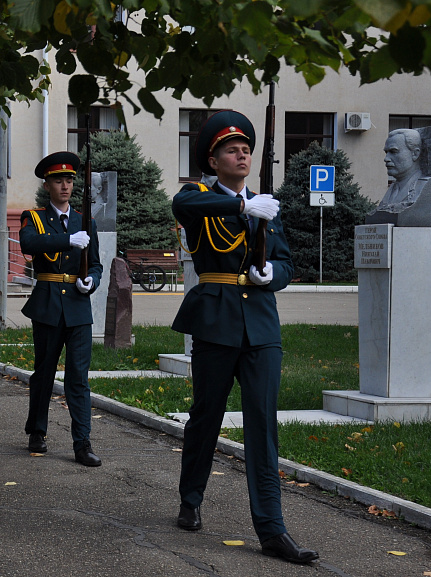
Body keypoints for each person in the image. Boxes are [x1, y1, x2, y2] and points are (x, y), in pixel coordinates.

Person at [170, 110, 319, 563]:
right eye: (232, 150)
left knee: (262, 424)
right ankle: (190, 499)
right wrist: (239, 206)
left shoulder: (267, 206)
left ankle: (272, 530)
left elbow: (287, 262)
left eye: (246, 149)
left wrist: (271, 273)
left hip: (261, 325)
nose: (242, 154)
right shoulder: (200, 197)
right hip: (216, 319)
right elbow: (183, 208)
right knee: (206, 416)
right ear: (213, 161)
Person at [19, 152, 104, 467]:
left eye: (69, 179)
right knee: (44, 372)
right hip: (49, 303)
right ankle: (37, 430)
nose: (65, 185)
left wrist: (90, 282)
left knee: (78, 378)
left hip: (78, 307)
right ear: (48, 184)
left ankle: (82, 443)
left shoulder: (86, 221)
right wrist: (68, 239)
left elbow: (95, 264)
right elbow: (29, 243)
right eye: (58, 180)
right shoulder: (35, 217)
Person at [376, 128, 429, 212]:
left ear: (415, 154)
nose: (386, 159)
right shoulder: (392, 188)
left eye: (393, 152)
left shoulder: (425, 187)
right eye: (386, 153)